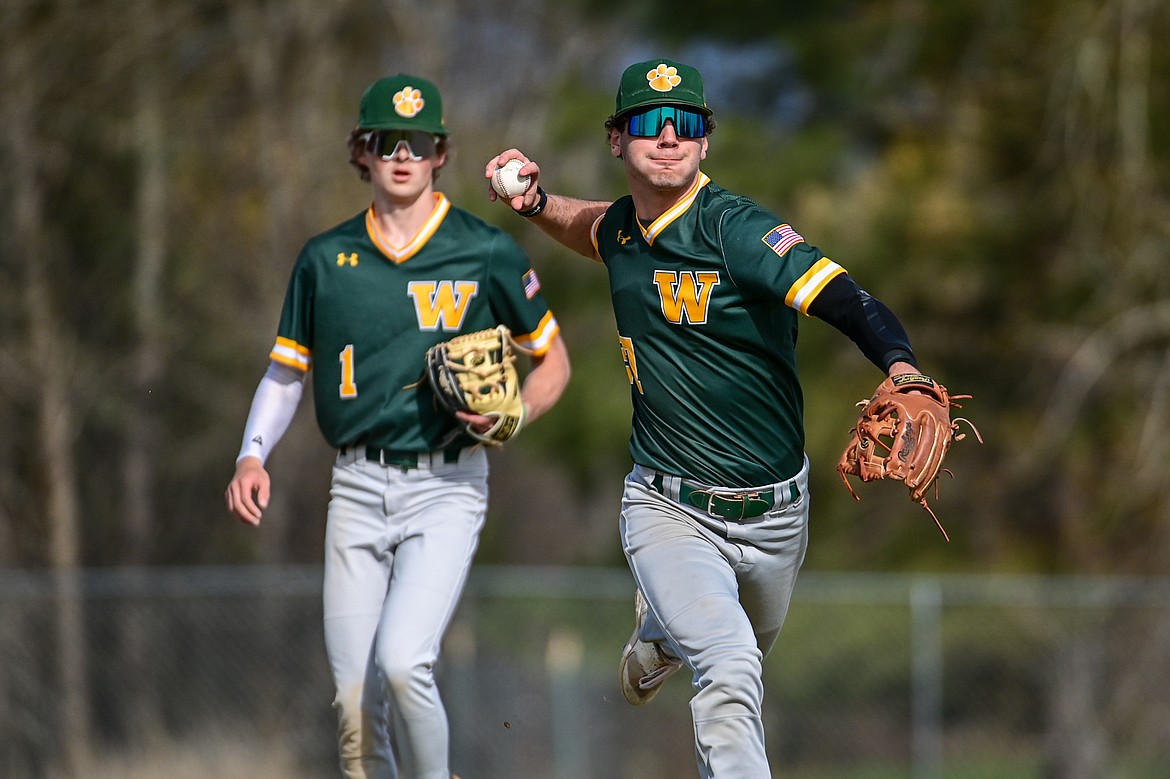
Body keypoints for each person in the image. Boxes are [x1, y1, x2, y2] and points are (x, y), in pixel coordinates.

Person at [485, 59, 930, 779]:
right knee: (728, 669)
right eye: (649, 124)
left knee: (742, 652)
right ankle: (679, 629)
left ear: (705, 142)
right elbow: (593, 228)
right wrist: (537, 207)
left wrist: (901, 366)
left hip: (778, 512)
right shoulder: (625, 229)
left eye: (686, 123)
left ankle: (659, 635)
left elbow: (848, 297)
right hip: (667, 505)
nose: (668, 136)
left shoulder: (738, 231)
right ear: (616, 142)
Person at [226, 73, 570, 779]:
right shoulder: (326, 259)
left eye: (419, 141)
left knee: (404, 662)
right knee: (354, 704)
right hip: (355, 484)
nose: (403, 154)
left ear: (441, 152)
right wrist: (251, 455)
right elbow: (286, 374)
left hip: (446, 486)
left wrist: (517, 413)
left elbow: (553, 361)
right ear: (362, 152)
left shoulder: (485, 251)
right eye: (388, 141)